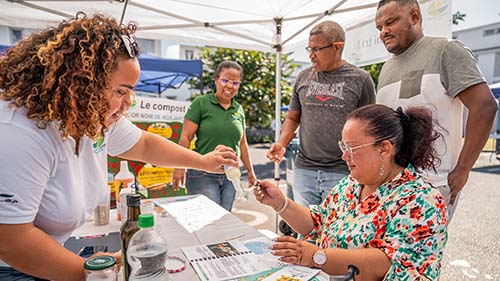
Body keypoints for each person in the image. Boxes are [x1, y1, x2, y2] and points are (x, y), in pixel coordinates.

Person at [0, 13, 238, 281]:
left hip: (51, 254)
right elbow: (11, 239)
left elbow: (145, 145)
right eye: (121, 91)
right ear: (82, 83)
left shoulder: (89, 115)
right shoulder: (18, 132)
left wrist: (203, 161)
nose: (129, 103)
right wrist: (96, 273)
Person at [255, 104, 448, 280]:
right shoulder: (351, 184)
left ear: (384, 149)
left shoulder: (421, 199)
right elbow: (318, 222)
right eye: (343, 146)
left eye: (351, 147)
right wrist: (281, 204)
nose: (344, 155)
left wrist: (314, 256)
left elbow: (386, 263)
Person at [375, 0, 498, 220]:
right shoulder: (386, 68)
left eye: (390, 22)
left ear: (414, 16)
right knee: (388, 253)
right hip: (390, 184)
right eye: (380, 27)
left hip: (432, 184)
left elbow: (484, 107)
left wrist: (462, 169)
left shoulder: (446, 50)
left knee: (416, 254)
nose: (384, 31)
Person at [267, 21, 375, 207]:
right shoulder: (303, 77)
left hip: (343, 171)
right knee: (305, 230)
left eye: (317, 49)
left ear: (337, 47)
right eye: (310, 49)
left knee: (336, 231)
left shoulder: (361, 79)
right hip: (304, 169)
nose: (311, 56)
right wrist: (281, 143)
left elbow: (369, 127)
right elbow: (293, 117)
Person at [172, 61, 256, 211]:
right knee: (207, 220)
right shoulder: (201, 103)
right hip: (203, 173)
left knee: (224, 218)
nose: (229, 86)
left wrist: (250, 171)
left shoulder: (239, 109)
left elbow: (242, 143)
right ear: (216, 80)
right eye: (225, 80)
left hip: (231, 175)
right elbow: (185, 137)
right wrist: (179, 167)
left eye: (235, 83)